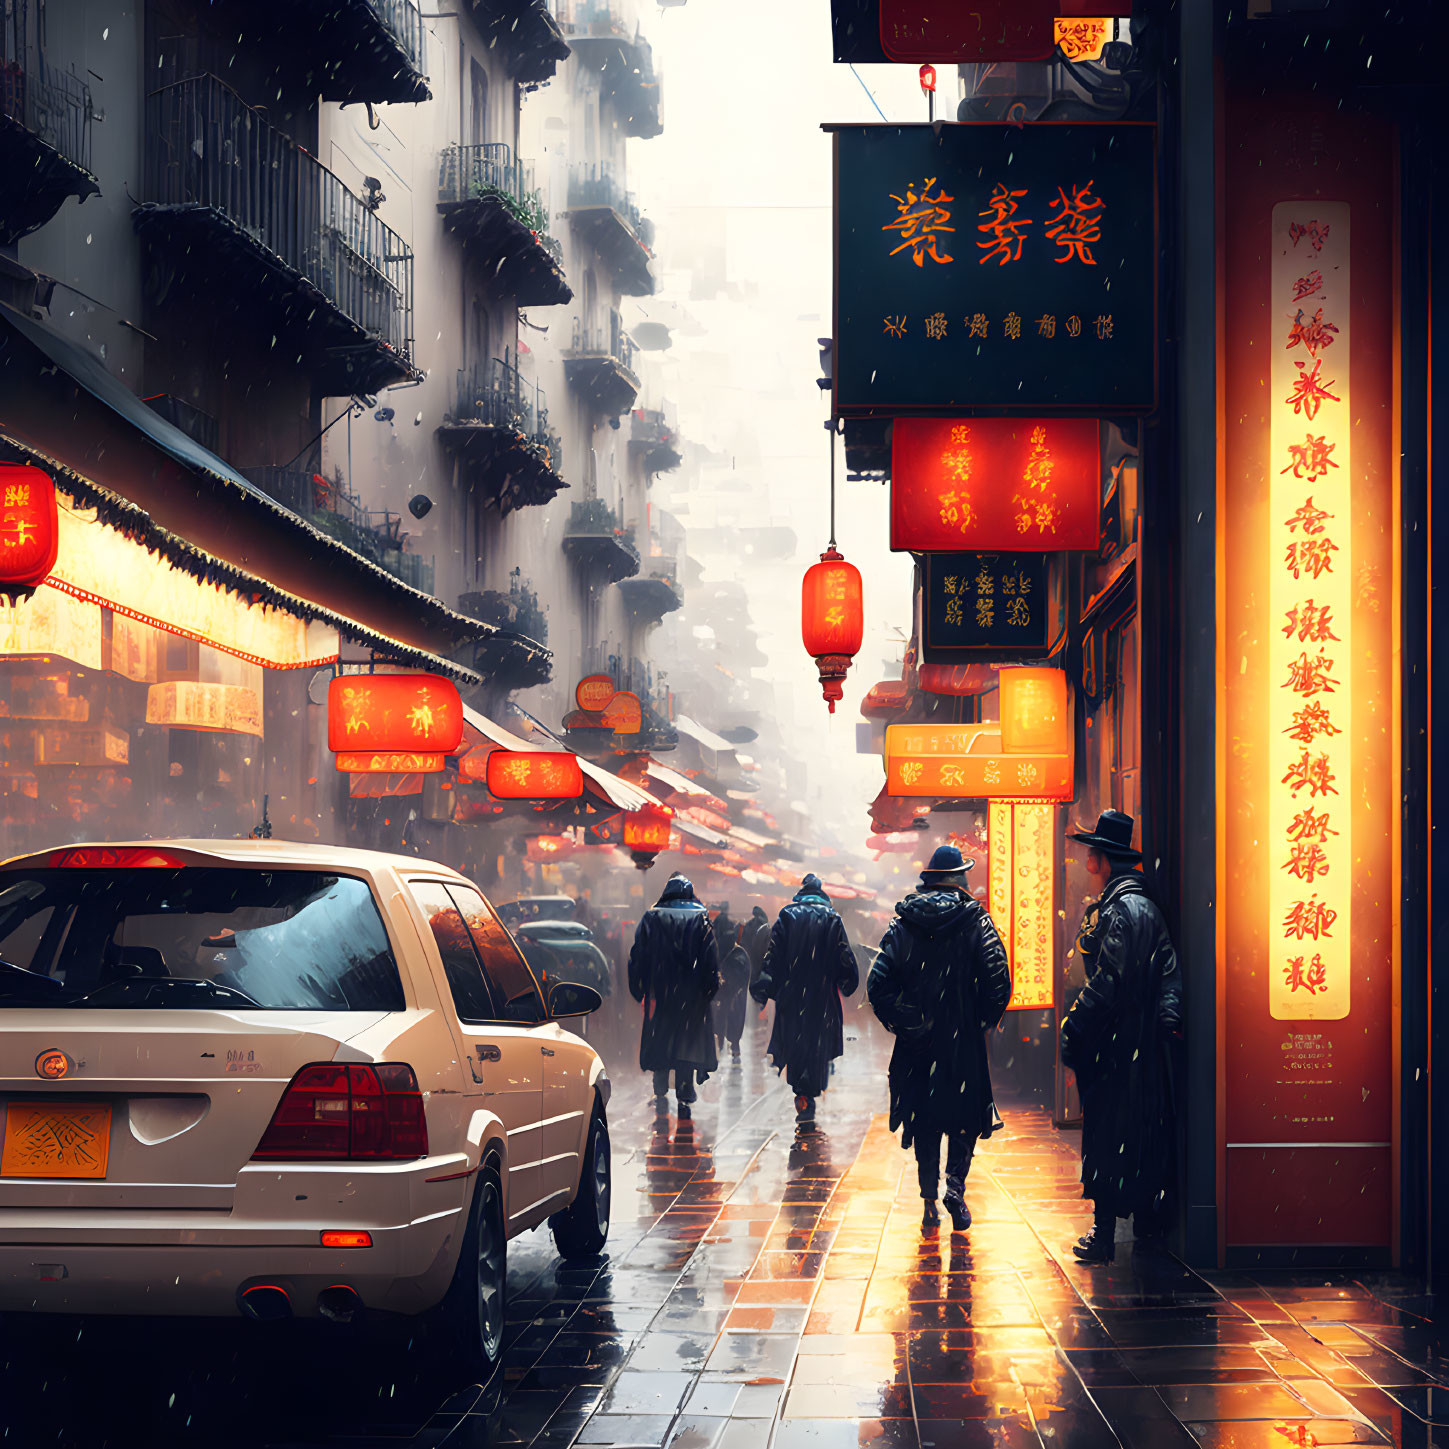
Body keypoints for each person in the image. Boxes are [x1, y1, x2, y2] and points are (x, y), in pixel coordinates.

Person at [868, 845, 1011, 1232]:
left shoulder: (904, 924)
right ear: (956, 879)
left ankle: (929, 1197)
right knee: (964, 1119)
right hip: (961, 1042)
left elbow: (877, 984)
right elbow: (999, 978)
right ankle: (955, 1187)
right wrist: (978, 1019)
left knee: (926, 1120)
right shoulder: (975, 920)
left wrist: (909, 1021)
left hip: (918, 1047)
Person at [1060, 810, 1182, 1263]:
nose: (1088, 860)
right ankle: (1145, 1226)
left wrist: (1074, 1031)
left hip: (1115, 1046)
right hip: (1143, 1046)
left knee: (1107, 1136)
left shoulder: (1119, 909)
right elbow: (1169, 974)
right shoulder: (1146, 905)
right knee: (1140, 1134)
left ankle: (1104, 1233)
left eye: (1092, 853)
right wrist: (1165, 1026)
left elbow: (1106, 982)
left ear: (1105, 859)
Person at [750, 873, 858, 1127]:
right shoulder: (832, 918)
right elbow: (843, 957)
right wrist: (847, 982)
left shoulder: (787, 916)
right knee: (817, 1047)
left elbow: (773, 957)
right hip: (822, 998)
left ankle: (800, 1093)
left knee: (796, 1045)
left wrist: (765, 990)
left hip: (792, 996)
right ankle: (811, 1092)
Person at [627, 874, 720, 1121]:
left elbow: (638, 956)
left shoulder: (651, 917)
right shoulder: (701, 918)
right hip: (692, 997)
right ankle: (684, 1092)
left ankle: (659, 1090)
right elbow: (710, 959)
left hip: (661, 993)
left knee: (661, 1040)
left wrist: (639, 989)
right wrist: (709, 989)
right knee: (686, 1043)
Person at [710, 903, 752, 1063]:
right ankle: (734, 1045)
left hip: (720, 982)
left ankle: (719, 1044)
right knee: (735, 1013)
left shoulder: (715, 932)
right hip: (733, 982)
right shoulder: (738, 950)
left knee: (719, 1014)